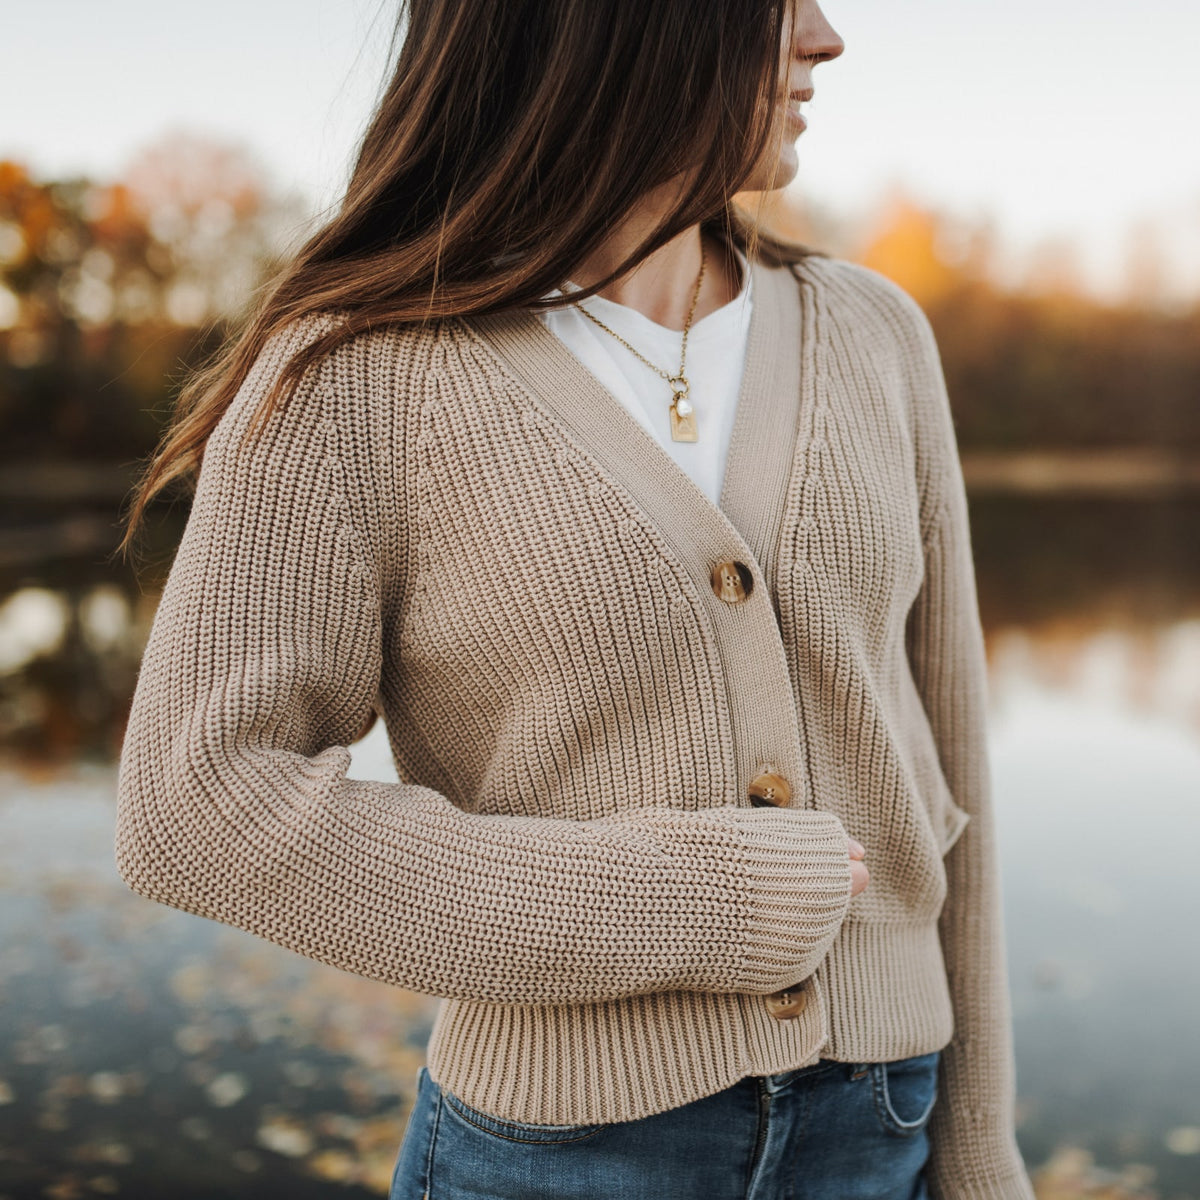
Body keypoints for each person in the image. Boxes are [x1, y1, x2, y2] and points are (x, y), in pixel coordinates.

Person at [113, 1, 1035, 1197]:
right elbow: (195, 807)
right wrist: (690, 900)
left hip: (886, 1125)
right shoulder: (354, 375)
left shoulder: (875, 335)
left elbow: (949, 769)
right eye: (778, 3)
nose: (824, 38)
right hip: (561, 1160)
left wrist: (982, 1164)